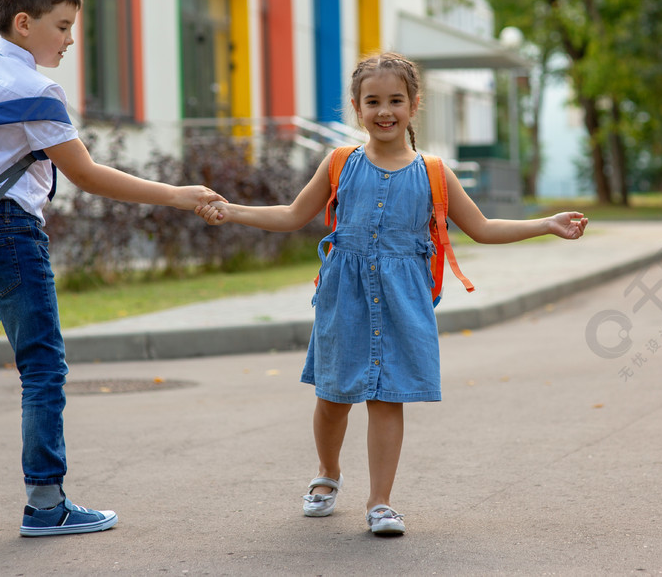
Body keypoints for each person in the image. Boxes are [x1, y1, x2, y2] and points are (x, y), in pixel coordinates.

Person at [0, 0, 224, 537]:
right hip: (11, 235)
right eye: (62, 26)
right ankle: (47, 504)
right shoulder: (37, 90)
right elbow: (87, 175)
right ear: (24, 24)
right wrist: (179, 195)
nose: (71, 39)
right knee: (43, 366)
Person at [197, 52, 587, 535]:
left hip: (403, 301)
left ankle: (380, 502)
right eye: (373, 101)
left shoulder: (435, 172)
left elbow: (482, 228)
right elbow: (293, 215)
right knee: (333, 395)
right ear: (357, 107)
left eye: (396, 100)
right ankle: (327, 473)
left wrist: (546, 224)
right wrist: (232, 211)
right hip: (345, 296)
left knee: (387, 398)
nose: (385, 111)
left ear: (414, 105)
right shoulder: (340, 163)